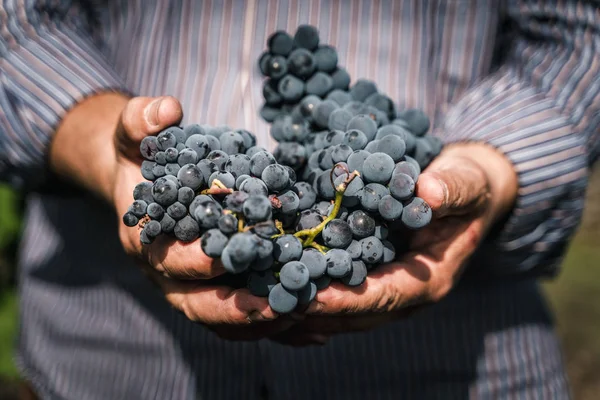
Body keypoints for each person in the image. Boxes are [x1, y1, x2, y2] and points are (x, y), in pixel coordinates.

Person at [1, 0, 598, 398]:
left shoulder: (352, 177)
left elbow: (577, 42)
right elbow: (18, 22)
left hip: (457, 366)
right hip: (106, 361)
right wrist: (106, 150)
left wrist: (492, 166)